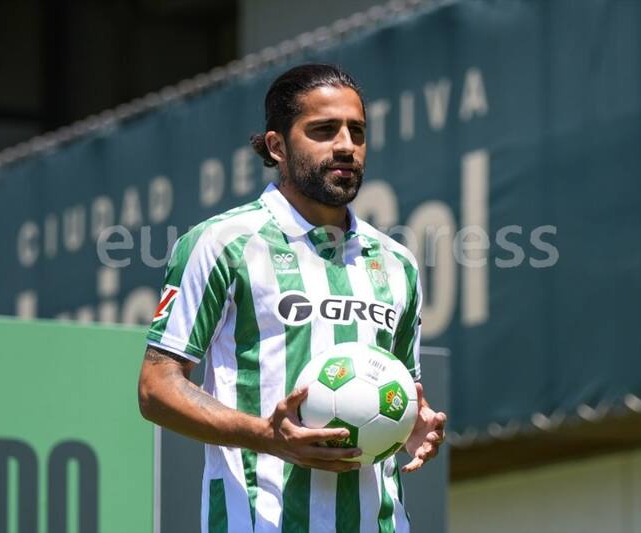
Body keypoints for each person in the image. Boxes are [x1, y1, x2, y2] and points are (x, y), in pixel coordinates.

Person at [138, 63, 446, 532]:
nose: (346, 145)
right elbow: (157, 388)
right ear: (277, 146)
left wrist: (413, 425)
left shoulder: (396, 262)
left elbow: (401, 392)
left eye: (357, 131)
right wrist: (267, 437)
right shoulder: (222, 242)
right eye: (323, 130)